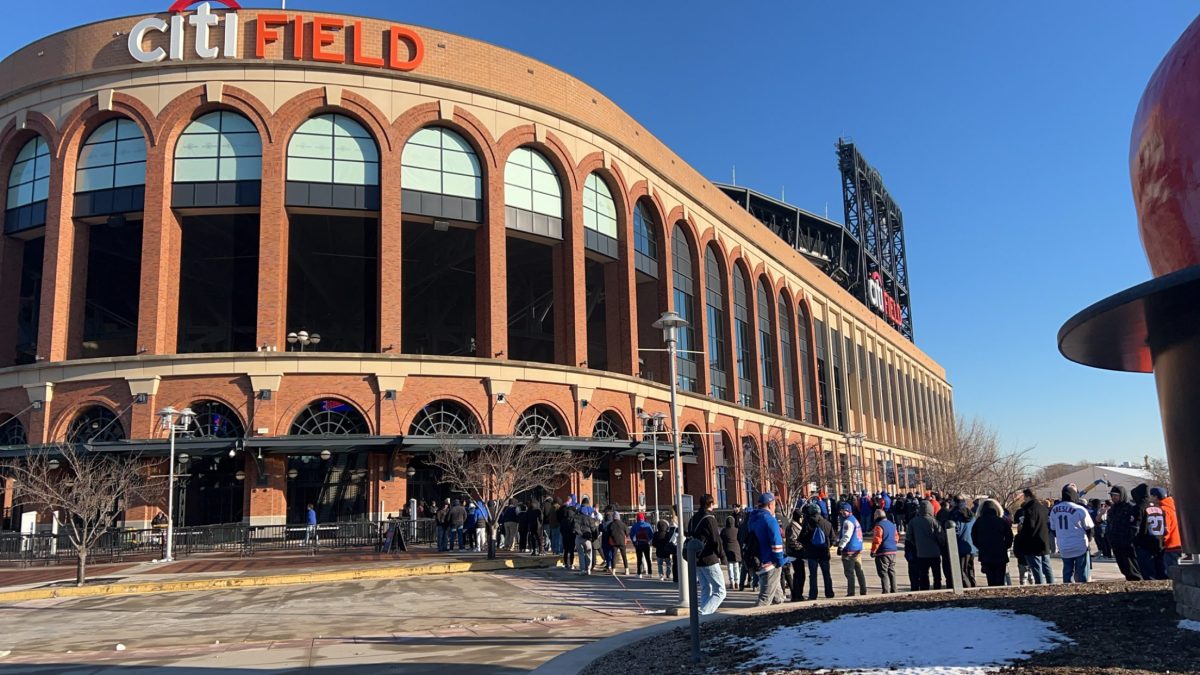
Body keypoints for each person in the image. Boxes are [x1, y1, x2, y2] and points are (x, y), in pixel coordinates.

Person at [686, 494, 727, 615]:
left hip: (696, 557)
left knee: (706, 588)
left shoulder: (693, 519)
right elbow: (716, 539)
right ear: (711, 504)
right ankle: (704, 612)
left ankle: (702, 615)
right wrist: (722, 555)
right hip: (709, 557)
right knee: (720, 591)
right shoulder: (709, 518)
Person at [746, 492, 787, 606]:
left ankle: (778, 620)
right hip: (770, 563)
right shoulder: (770, 520)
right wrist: (780, 561)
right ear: (770, 505)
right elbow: (776, 543)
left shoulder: (752, 519)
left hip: (758, 560)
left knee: (778, 598)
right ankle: (752, 619)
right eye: (774, 504)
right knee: (764, 600)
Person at [1049, 484, 1094, 583]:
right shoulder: (1080, 509)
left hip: (1064, 545)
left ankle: (1067, 592)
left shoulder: (1054, 510)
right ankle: (1083, 593)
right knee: (1082, 572)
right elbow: (1089, 528)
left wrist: (1061, 536)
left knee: (1067, 571)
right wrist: (1089, 539)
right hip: (1079, 545)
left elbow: (1052, 528)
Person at [1014, 488, 1054, 584]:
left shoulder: (1029, 509)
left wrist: (1021, 529)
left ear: (1028, 496)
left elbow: (1029, 527)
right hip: (1044, 540)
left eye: (1024, 497)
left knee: (1036, 568)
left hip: (1032, 543)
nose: (1024, 500)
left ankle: (1040, 586)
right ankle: (1051, 585)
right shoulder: (1043, 508)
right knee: (1047, 567)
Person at [972, 499, 1014, 587]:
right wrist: (1005, 546)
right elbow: (1009, 536)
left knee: (990, 579)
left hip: (985, 553)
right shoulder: (1001, 521)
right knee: (1000, 579)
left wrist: (981, 547)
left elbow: (974, 537)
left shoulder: (979, 522)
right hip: (1000, 553)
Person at [905, 500, 943, 591]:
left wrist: (916, 543)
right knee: (937, 574)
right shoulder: (934, 521)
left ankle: (924, 589)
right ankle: (937, 588)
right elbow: (941, 537)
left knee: (923, 574)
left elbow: (908, 537)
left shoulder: (913, 522)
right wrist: (940, 545)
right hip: (935, 552)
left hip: (921, 553)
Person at [800, 502, 835, 600]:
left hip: (812, 553)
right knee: (826, 574)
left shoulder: (807, 523)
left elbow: (802, 538)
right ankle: (829, 593)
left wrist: (807, 546)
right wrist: (827, 546)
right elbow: (833, 538)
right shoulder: (827, 523)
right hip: (824, 553)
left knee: (813, 575)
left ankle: (813, 594)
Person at [1107, 485, 1142, 581]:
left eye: (1116, 495)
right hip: (1116, 543)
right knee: (1123, 567)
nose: (1113, 497)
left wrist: (1130, 540)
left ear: (1122, 495)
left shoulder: (1130, 508)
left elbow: (1134, 526)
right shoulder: (1112, 509)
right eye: (1112, 495)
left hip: (1127, 544)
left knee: (1132, 568)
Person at [1132, 484, 1167, 580]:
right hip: (1159, 542)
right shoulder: (1159, 508)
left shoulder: (1140, 507)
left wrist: (1134, 541)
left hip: (1145, 544)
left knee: (1149, 574)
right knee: (1161, 572)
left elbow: (1136, 527)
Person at [835, 502, 867, 597]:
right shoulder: (855, 520)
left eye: (843, 511)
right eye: (841, 511)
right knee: (859, 571)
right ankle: (863, 590)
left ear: (848, 511)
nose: (842, 513)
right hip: (857, 549)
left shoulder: (847, 522)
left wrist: (840, 546)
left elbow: (846, 536)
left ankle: (851, 592)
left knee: (849, 573)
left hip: (849, 550)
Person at [1153, 487, 1183, 571]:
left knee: (1170, 571)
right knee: (1175, 569)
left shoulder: (1163, 510)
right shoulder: (1173, 507)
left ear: (1156, 497)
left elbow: (1165, 529)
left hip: (1169, 545)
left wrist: (1160, 542)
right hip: (1177, 543)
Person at [870, 508, 899, 593]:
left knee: (883, 572)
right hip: (893, 551)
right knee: (892, 571)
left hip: (883, 552)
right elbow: (896, 537)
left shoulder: (879, 526)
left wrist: (873, 551)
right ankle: (894, 589)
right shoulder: (892, 524)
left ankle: (885, 591)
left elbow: (877, 539)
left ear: (877, 516)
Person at [784, 508, 807, 602]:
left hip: (797, 554)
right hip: (795, 554)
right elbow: (792, 541)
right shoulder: (792, 527)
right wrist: (802, 547)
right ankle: (797, 595)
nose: (802, 519)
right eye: (801, 517)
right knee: (799, 575)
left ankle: (797, 594)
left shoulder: (796, 526)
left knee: (800, 575)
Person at [720, 515, 742, 591]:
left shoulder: (724, 531)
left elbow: (721, 540)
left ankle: (731, 582)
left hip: (727, 549)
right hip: (736, 550)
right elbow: (740, 539)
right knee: (736, 567)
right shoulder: (737, 530)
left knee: (730, 567)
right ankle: (737, 582)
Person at [631, 512, 654, 577]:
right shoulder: (648, 525)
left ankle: (639, 573)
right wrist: (649, 541)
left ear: (637, 518)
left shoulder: (634, 526)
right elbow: (651, 534)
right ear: (643, 517)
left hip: (638, 545)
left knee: (639, 559)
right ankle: (650, 573)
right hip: (646, 544)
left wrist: (634, 543)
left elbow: (632, 535)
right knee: (648, 559)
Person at [559, 499, 578, 570]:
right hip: (572, 536)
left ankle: (566, 564)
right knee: (572, 551)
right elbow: (575, 528)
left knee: (566, 550)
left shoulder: (563, 519)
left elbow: (561, 529)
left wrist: (563, 534)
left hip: (565, 536)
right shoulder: (574, 519)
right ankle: (571, 564)